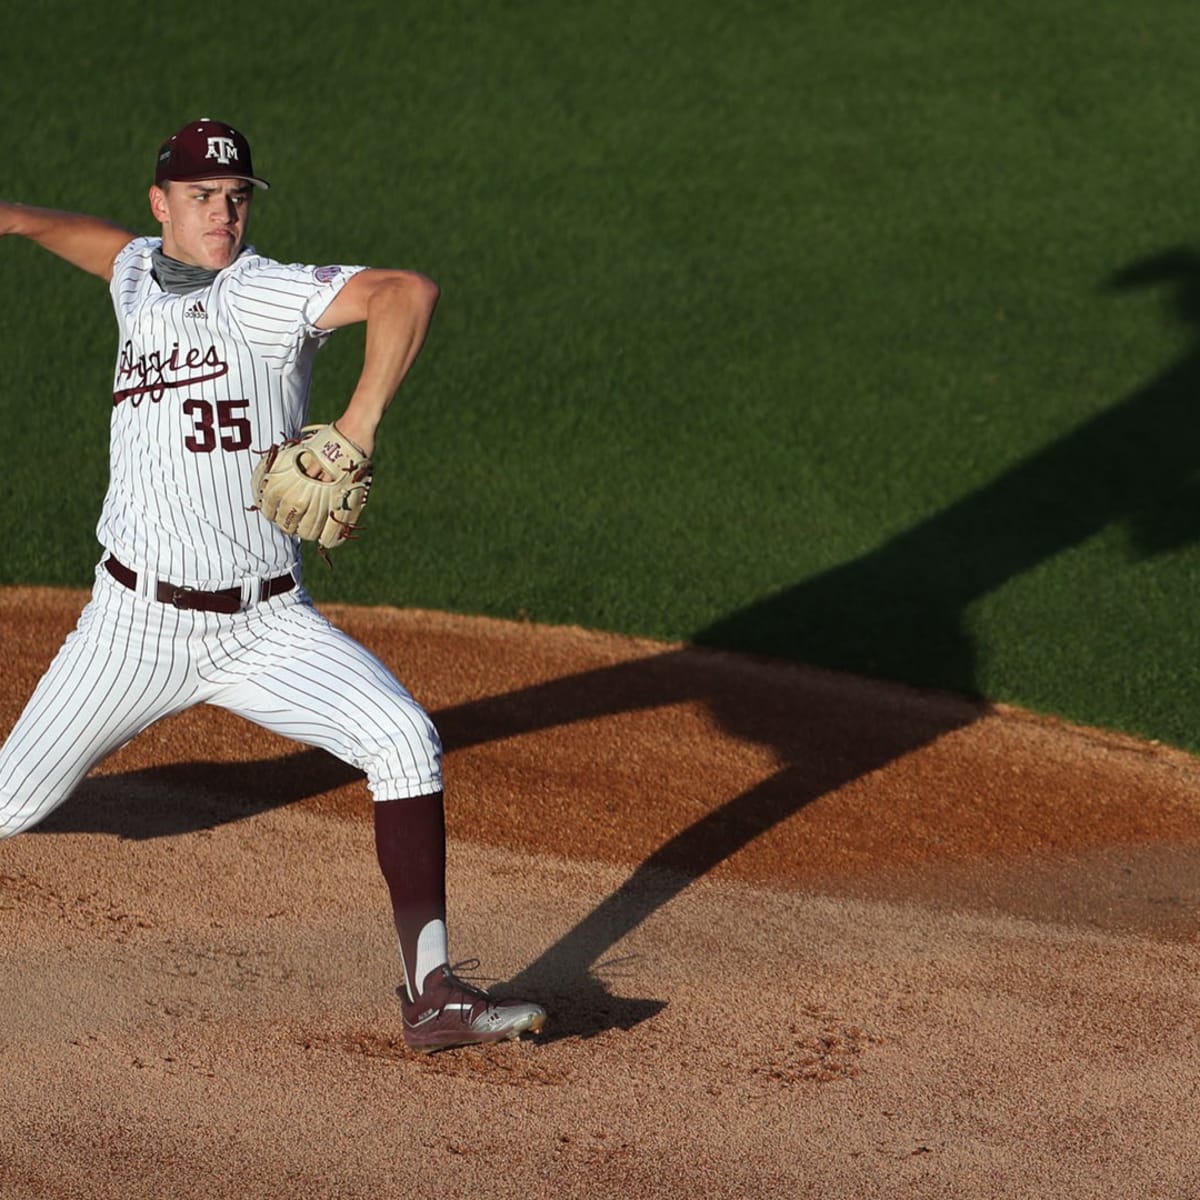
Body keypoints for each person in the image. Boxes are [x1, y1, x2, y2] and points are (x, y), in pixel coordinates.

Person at [0, 118, 546, 1054]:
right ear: (162, 205)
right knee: (10, 803)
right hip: (130, 626)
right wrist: (13, 218)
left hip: (262, 627)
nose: (225, 214)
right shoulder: (137, 274)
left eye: (238, 197)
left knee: (404, 739)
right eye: (205, 198)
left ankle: (434, 993)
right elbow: (89, 243)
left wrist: (359, 423)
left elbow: (403, 292)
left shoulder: (265, 293)